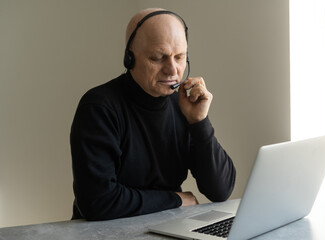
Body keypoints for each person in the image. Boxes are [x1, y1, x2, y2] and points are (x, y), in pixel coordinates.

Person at [70, 8, 236, 221]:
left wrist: (199, 122)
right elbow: (98, 202)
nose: (172, 69)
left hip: (169, 225)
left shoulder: (182, 106)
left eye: (180, 57)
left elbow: (221, 190)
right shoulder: (99, 107)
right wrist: (176, 200)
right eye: (158, 58)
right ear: (129, 58)